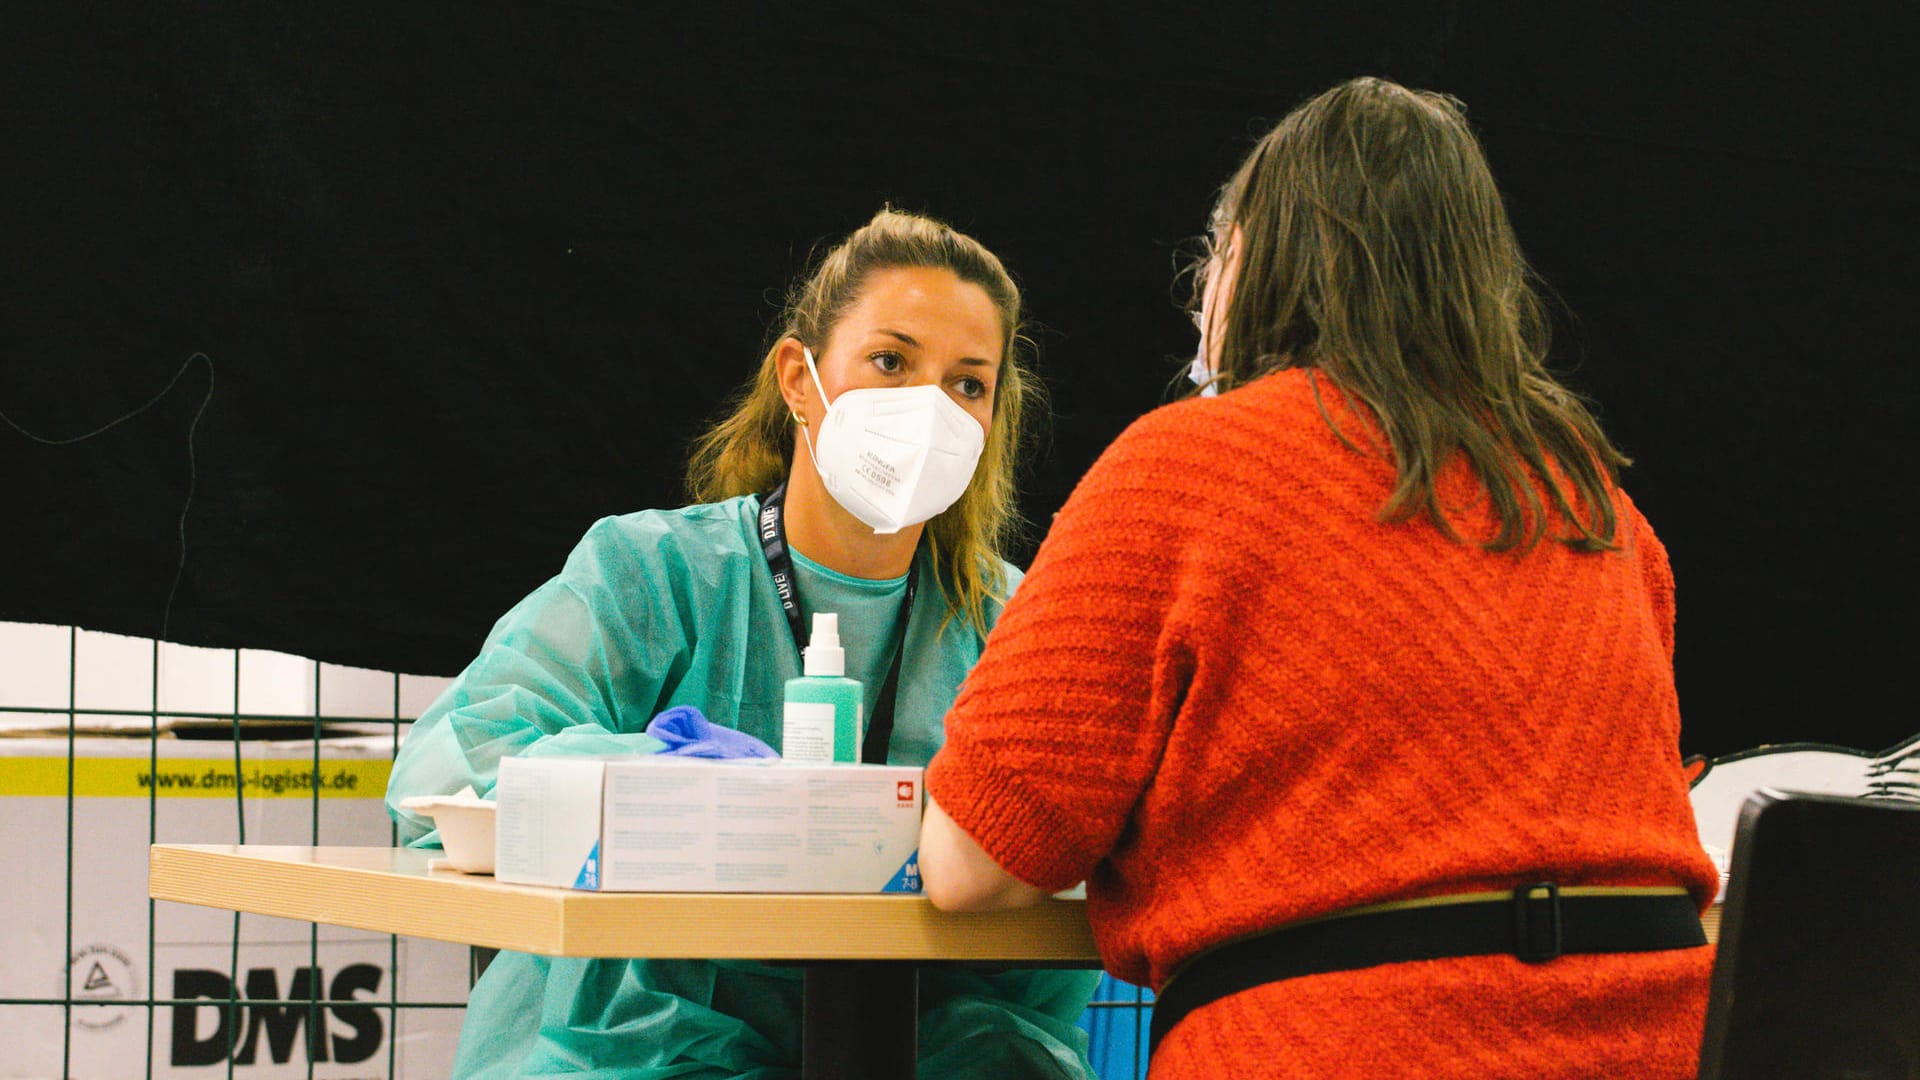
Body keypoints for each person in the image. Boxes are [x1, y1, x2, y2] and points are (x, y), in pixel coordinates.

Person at [918, 77, 1720, 1079]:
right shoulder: (1599, 508)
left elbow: (971, 864)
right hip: (1665, 1043)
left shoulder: (1187, 467)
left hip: (1333, 1043)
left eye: (1213, 257)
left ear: (1247, 263)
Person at [386, 208, 1100, 1079]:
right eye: (890, 361)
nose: (929, 409)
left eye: (967, 384)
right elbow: (443, 775)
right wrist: (666, 780)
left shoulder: (1020, 622)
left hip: (929, 1049)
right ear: (800, 380)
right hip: (641, 1048)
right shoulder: (652, 573)